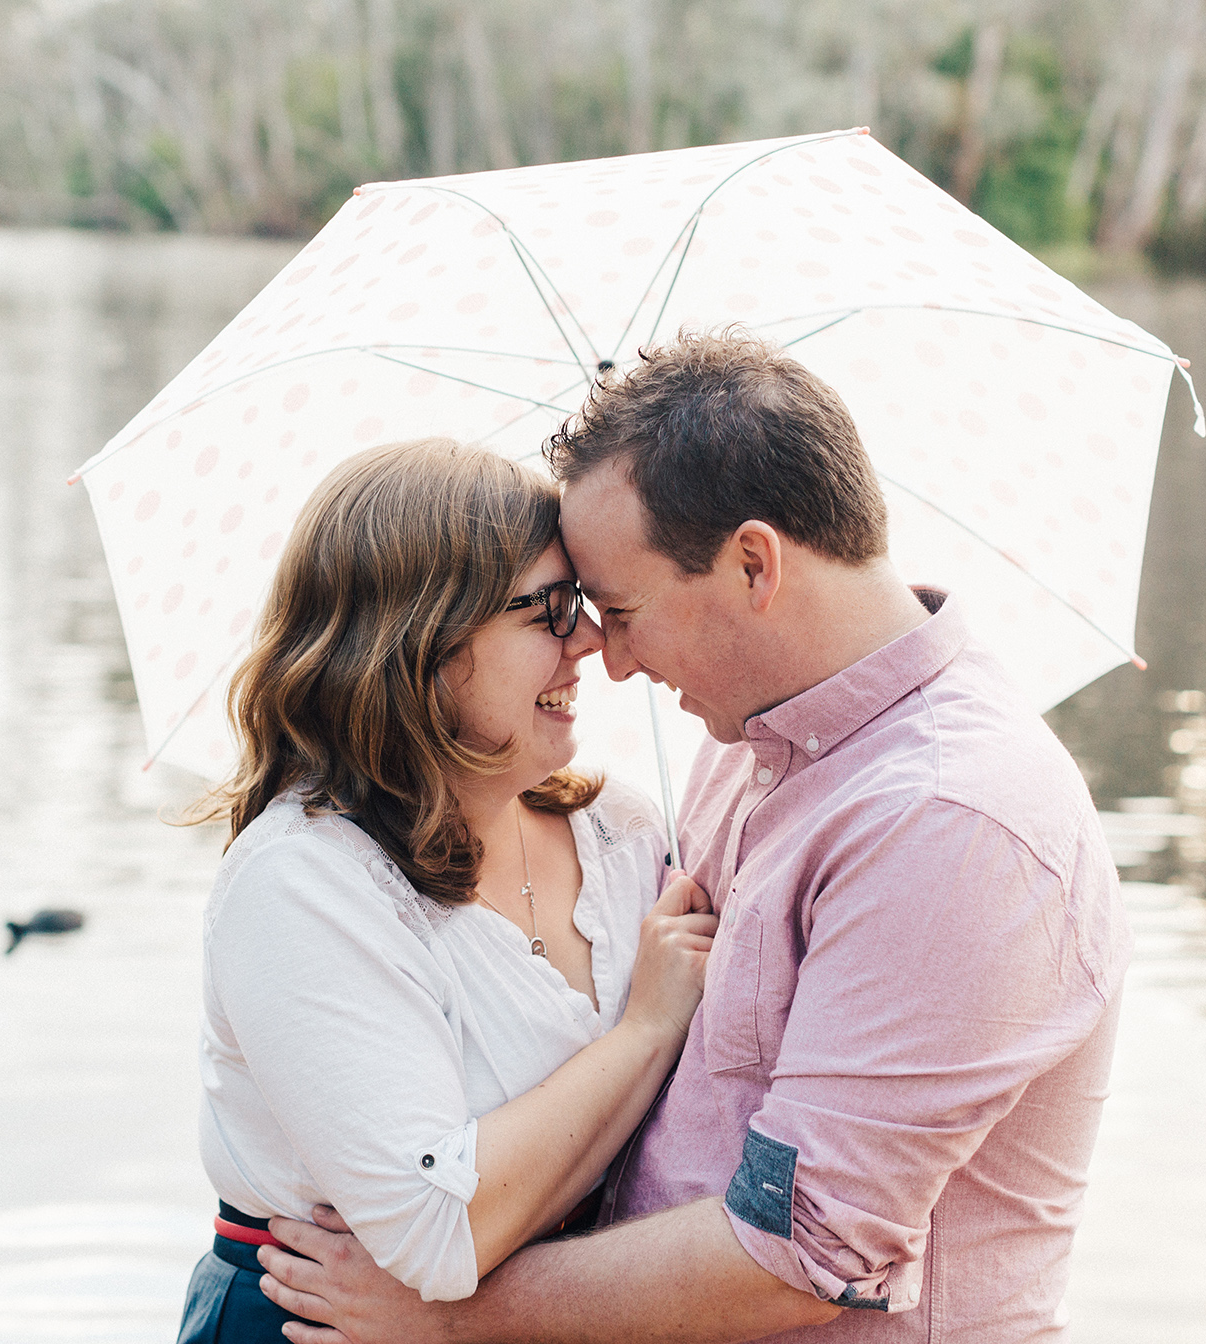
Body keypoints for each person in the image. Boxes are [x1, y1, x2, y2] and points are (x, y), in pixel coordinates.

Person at [255, 331, 1131, 1343]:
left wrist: (452, 1321)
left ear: (754, 563)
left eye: (621, 610)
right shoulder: (749, 740)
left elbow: (802, 1255)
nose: (611, 658)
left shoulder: (951, 822)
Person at [173, 438, 718, 1344]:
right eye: (547, 610)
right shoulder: (302, 884)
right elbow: (437, 1229)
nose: (589, 641)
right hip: (322, 1322)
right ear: (420, 645)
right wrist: (647, 1030)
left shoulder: (623, 833)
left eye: (580, 602)